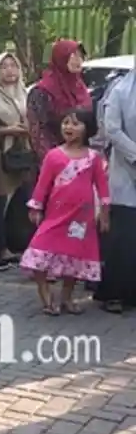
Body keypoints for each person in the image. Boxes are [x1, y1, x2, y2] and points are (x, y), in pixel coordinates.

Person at [22, 108, 109, 315]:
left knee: (74, 256)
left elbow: (102, 188)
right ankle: (45, 292)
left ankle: (67, 297)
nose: (69, 127)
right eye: (66, 122)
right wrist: (36, 207)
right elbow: (42, 185)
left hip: (81, 218)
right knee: (39, 249)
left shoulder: (94, 158)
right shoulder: (53, 156)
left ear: (87, 129)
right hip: (56, 216)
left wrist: (105, 213)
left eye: (75, 124)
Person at [0, 52, 34, 267]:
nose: (9, 70)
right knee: (0, 202)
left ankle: (18, 245)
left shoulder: (26, 94)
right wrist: (5, 130)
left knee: (23, 201)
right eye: (4, 66)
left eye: (13, 65)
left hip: (24, 153)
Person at [97, 57, 136, 313]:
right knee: (124, 236)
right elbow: (112, 129)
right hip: (126, 171)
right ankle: (114, 294)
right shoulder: (120, 90)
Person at [28, 39, 92, 161]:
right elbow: (38, 134)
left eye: (80, 56)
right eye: (73, 55)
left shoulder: (80, 88)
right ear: (61, 58)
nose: (77, 60)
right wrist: (57, 161)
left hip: (82, 158)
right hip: (54, 159)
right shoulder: (42, 91)